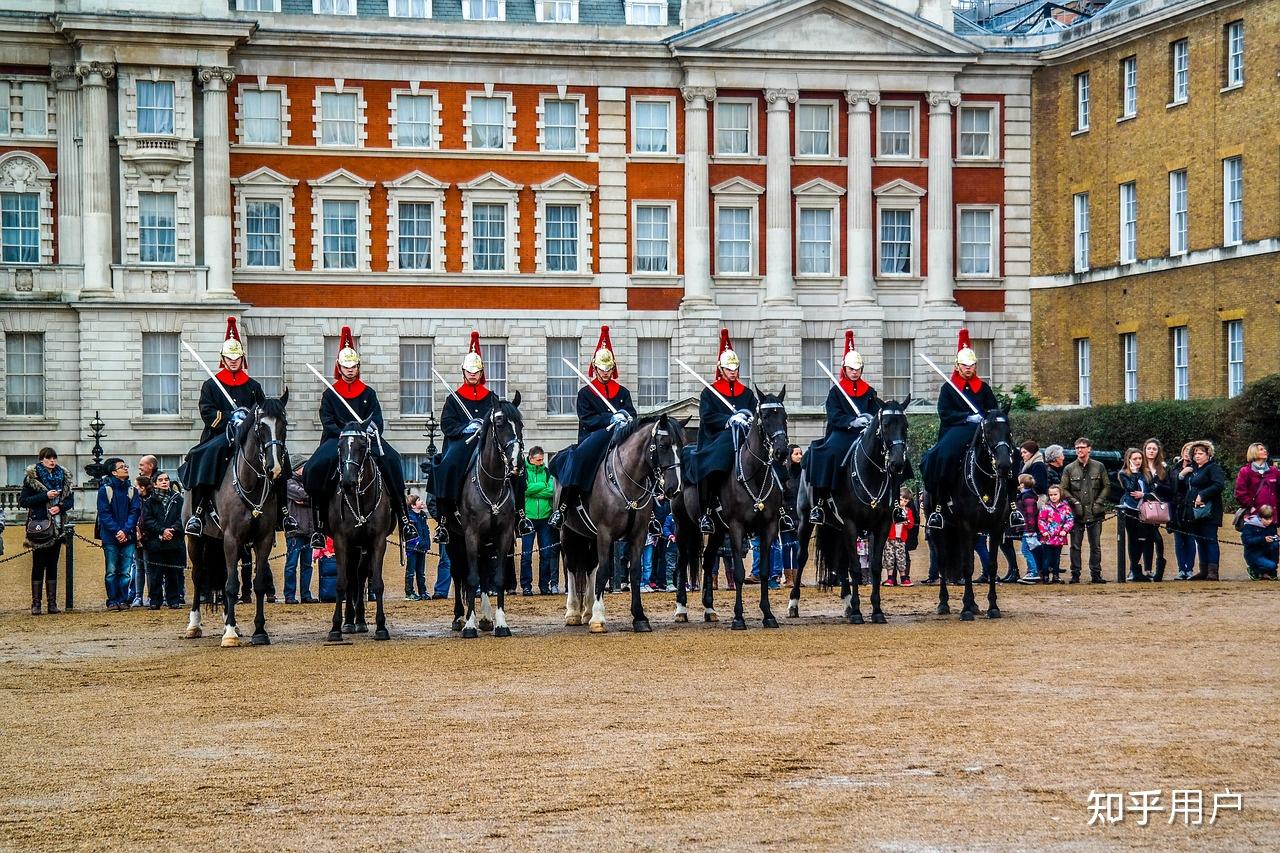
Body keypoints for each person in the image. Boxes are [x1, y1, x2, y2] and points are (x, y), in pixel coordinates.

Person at [302, 326, 414, 548]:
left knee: (392, 459)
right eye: (346, 367)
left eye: (354, 366)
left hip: (364, 440)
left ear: (358, 367)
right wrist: (344, 433)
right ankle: (317, 526)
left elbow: (378, 420)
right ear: (339, 368)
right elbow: (327, 420)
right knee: (316, 466)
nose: (350, 370)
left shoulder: (368, 393)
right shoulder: (330, 394)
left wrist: (369, 430)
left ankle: (403, 517)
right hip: (338, 439)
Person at [181, 318, 293, 536]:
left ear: (243, 359)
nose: (233, 362)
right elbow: (207, 412)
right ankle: (198, 512)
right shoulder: (211, 385)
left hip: (251, 436)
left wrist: (249, 420)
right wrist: (230, 418)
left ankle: (283, 512)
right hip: (222, 434)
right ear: (223, 359)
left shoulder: (253, 386)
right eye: (229, 358)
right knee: (204, 455)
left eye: (237, 358)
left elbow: (263, 411)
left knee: (280, 458)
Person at [431, 331, 531, 543]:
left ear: (482, 373)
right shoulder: (453, 399)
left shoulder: (491, 397)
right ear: (463, 372)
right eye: (469, 371)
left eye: (476, 371)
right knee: (448, 465)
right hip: (463, 442)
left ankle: (520, 515)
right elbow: (447, 425)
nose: (473, 375)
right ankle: (444, 520)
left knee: (517, 469)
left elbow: (500, 421)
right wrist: (466, 427)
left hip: (487, 443)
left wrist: (485, 427)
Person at [549, 326, 636, 530]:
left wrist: (626, 418)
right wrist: (610, 418)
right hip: (594, 437)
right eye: (601, 369)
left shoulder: (622, 392)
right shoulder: (585, 393)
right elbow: (587, 419)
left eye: (608, 369)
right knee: (578, 458)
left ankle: (649, 517)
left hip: (620, 437)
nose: (605, 373)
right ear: (594, 369)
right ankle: (562, 508)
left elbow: (632, 413)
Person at [920, 329, 1000, 530]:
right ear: (957, 366)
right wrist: (966, 417)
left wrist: (987, 418)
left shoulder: (983, 388)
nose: (968, 368)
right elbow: (944, 413)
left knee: (1008, 453)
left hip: (981, 430)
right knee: (942, 455)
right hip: (957, 429)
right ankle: (938, 504)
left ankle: (1011, 504)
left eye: (972, 365)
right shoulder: (949, 389)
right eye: (965, 365)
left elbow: (994, 410)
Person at [687, 329, 759, 534]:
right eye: (729, 368)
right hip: (717, 437)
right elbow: (707, 418)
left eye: (735, 368)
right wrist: (728, 419)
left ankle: (778, 509)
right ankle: (707, 510)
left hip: (745, 435)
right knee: (715, 462)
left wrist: (750, 419)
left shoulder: (747, 393)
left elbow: (755, 413)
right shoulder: (709, 393)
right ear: (721, 369)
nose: (733, 372)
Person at [807, 331, 881, 524]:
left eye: (858, 369)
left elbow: (876, 411)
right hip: (843, 433)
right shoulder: (836, 391)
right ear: (845, 369)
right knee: (828, 453)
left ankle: (894, 502)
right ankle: (819, 502)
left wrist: (870, 419)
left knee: (889, 454)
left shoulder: (870, 391)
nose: (855, 372)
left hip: (866, 434)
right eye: (851, 369)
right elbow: (833, 415)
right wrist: (851, 422)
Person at [20, 447, 73, 615]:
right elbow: (24, 501)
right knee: (38, 564)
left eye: (54, 458)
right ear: (41, 459)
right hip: (40, 525)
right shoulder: (32, 477)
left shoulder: (63, 476)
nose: (52, 461)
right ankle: (36, 603)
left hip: (58, 525)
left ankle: (52, 603)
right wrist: (45, 496)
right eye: (48, 458)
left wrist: (59, 506)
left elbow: (70, 499)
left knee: (52, 564)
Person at [1059, 437, 1108, 584]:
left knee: (1096, 545)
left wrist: (1099, 502)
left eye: (1082, 447)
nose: (1079, 450)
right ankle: (1075, 574)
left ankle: (1096, 574)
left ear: (1089, 449)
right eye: (1077, 448)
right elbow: (1064, 489)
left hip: (1095, 511)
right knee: (1075, 546)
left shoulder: (1099, 466)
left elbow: (1106, 486)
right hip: (1076, 513)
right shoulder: (1069, 468)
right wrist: (1074, 502)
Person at [97, 457, 142, 610]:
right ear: (114, 472)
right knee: (111, 571)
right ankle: (112, 600)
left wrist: (125, 530)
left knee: (125, 572)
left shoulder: (132, 490)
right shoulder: (105, 490)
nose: (126, 468)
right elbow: (104, 514)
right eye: (122, 467)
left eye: (126, 466)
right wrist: (118, 531)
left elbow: (135, 511)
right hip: (111, 537)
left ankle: (123, 600)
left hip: (127, 536)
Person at [142, 471, 185, 609]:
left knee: (173, 573)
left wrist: (172, 529)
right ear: (155, 484)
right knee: (156, 573)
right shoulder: (149, 501)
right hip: (156, 542)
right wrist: (162, 530)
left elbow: (182, 517)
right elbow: (147, 520)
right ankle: (155, 600)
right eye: (160, 480)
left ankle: (173, 599)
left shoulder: (178, 499)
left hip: (174, 541)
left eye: (166, 479)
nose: (165, 482)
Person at [1182, 441, 1225, 581]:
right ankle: (1204, 570)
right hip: (1195, 510)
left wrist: (1203, 495)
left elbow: (1219, 485)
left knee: (1210, 539)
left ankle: (1213, 572)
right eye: (1195, 454)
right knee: (1200, 540)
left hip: (1210, 510)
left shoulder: (1213, 468)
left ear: (1208, 454)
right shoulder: (1194, 469)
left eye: (1200, 453)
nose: (1197, 456)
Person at [521, 447, 559, 595]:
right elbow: (524, 489)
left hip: (545, 519)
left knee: (546, 554)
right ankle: (526, 586)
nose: (541, 462)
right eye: (538, 460)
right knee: (526, 555)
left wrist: (533, 489)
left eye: (542, 459)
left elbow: (551, 491)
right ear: (530, 458)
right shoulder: (524, 472)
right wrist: (541, 486)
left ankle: (544, 585)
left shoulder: (547, 472)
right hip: (529, 518)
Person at [1117, 447, 1154, 581]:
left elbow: (1152, 490)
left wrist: (1145, 494)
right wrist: (1133, 472)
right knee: (1133, 539)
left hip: (1145, 509)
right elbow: (1131, 489)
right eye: (1135, 459)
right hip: (1130, 509)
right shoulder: (1123, 473)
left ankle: (1141, 569)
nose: (1138, 461)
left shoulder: (1146, 473)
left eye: (1140, 458)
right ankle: (1134, 569)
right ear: (1129, 460)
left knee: (1143, 538)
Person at [283, 460, 316, 604]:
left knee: (307, 565)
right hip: (295, 531)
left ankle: (305, 594)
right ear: (297, 468)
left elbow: (310, 496)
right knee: (291, 565)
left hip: (309, 531)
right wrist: (310, 498)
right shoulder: (289, 483)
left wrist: (308, 498)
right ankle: (289, 595)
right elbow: (303, 495)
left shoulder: (307, 483)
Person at [1141, 438, 1173, 581]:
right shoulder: (1140, 466)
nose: (1151, 451)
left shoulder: (1163, 468)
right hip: (1142, 506)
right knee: (1146, 537)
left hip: (1157, 507)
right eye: (1149, 448)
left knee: (1155, 537)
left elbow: (1170, 488)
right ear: (1145, 450)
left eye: (1154, 449)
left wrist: (1157, 486)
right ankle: (1147, 569)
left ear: (1158, 451)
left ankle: (1159, 566)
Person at [1037, 484, 1074, 584]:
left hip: (1059, 537)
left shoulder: (1065, 507)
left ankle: (1056, 575)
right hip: (1047, 537)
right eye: (1051, 494)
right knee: (1047, 557)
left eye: (1055, 494)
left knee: (1057, 557)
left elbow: (1070, 520)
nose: (1053, 496)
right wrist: (1044, 531)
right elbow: (1041, 520)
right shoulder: (1045, 507)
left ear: (1060, 494)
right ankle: (1045, 576)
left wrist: (1065, 530)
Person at [1234, 442, 1278, 522]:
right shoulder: (1245, 471)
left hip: (1271, 516)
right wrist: (1251, 507)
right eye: (1261, 449)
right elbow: (1240, 493)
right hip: (1254, 517)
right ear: (1253, 452)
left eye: (1265, 449)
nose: (1265, 451)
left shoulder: (1274, 471)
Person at [1015, 474, 1045, 584]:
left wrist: (1030, 530)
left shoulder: (1027, 497)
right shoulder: (1026, 495)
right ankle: (1032, 571)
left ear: (1022, 484)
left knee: (1025, 550)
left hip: (1029, 529)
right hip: (1028, 528)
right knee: (1028, 549)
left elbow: (1030, 515)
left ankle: (1033, 571)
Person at [882, 489, 914, 587]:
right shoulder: (892, 509)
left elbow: (911, 525)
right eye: (901, 499)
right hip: (890, 538)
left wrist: (907, 522)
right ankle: (890, 578)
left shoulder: (908, 511)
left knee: (901, 558)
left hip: (901, 539)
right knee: (889, 558)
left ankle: (904, 578)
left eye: (906, 500)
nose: (903, 502)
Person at [1241, 505, 1278, 580]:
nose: (1269, 521)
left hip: (1265, 551)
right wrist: (1263, 539)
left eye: (1270, 518)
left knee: (1275, 545)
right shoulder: (1250, 525)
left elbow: (1274, 537)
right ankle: (1254, 570)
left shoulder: (1272, 525)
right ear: (1260, 518)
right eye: (1266, 519)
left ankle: (1270, 572)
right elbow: (1246, 540)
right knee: (1272, 565)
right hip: (1253, 553)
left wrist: (1276, 538)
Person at [405, 495, 431, 600]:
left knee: (421, 572)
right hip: (412, 549)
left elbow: (425, 530)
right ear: (413, 505)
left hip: (422, 547)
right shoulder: (410, 517)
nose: (421, 501)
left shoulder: (423, 516)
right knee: (410, 571)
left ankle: (422, 592)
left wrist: (426, 544)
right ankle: (409, 592)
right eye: (419, 500)